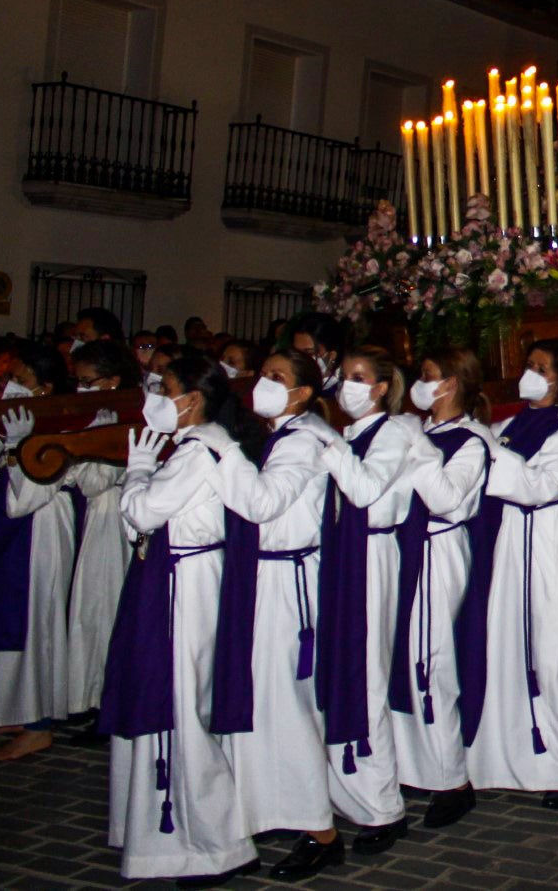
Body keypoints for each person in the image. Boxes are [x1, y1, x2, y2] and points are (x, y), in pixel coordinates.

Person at [103, 353, 267, 883]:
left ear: (192, 399)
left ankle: (213, 843)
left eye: (164, 387)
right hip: (183, 576)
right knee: (176, 699)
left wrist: (137, 474)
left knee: (180, 705)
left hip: (185, 584)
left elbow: (144, 513)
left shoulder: (199, 452)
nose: (156, 396)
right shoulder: (205, 447)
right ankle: (170, 838)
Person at [214, 349, 341, 878]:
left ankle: (320, 829)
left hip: (288, 584)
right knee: (263, 703)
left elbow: (264, 504)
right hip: (267, 575)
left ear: (304, 392)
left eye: (277, 377)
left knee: (285, 706)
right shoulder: (288, 435)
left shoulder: (303, 442)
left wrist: (220, 450)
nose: (263, 383)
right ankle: (255, 813)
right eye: (263, 375)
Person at [476, 339, 558, 807]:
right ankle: (515, 756)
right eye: (529, 365)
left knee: (554, 647)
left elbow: (540, 486)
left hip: (553, 538)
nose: (532, 373)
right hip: (515, 537)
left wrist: (489, 447)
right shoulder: (513, 424)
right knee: (510, 639)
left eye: (543, 367)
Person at [315, 346, 420, 852]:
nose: (348, 386)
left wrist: (324, 443)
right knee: (342, 670)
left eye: (361, 378)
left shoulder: (396, 431)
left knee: (367, 673)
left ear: (381, 387)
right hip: (343, 554)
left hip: (374, 555)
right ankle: (345, 790)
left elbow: (366, 490)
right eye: (344, 376)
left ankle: (382, 806)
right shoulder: (348, 434)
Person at [392, 347, 489, 829]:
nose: (420, 382)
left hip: (440, 549)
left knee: (433, 661)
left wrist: (417, 447)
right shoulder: (421, 430)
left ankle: (452, 777)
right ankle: (416, 765)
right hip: (406, 548)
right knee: (405, 659)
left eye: (428, 375)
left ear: (451, 384)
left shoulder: (472, 440)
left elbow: (447, 499)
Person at [0, 340, 76, 759]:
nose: (9, 385)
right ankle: (9, 709)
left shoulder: (61, 424)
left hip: (40, 532)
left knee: (36, 625)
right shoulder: (2, 419)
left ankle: (39, 724)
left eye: (21, 380)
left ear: (45, 389)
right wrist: (1, 442)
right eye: (9, 378)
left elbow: (30, 494)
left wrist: (18, 447)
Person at [56, 340, 140, 745]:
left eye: (88, 382)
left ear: (112, 382)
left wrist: (91, 440)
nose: (81, 388)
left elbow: (92, 481)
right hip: (93, 523)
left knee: (103, 613)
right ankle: (90, 702)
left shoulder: (125, 416)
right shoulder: (98, 414)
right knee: (88, 614)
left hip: (112, 525)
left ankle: (107, 708)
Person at [289, 312, 348, 399]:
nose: (299, 357)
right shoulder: (290, 385)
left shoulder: (346, 392)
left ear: (332, 355)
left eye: (308, 353)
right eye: (296, 351)